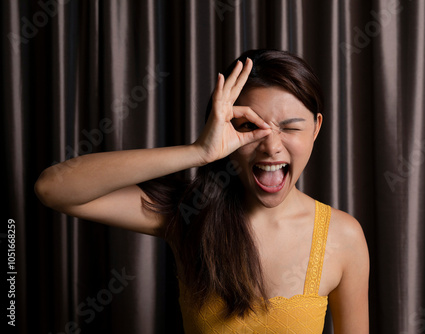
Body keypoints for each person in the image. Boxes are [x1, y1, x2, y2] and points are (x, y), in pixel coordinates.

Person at [35, 49, 369, 333]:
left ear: (316, 128)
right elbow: (52, 188)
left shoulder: (344, 236)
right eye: (249, 126)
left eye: (290, 127)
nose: (271, 147)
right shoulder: (190, 213)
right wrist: (198, 151)